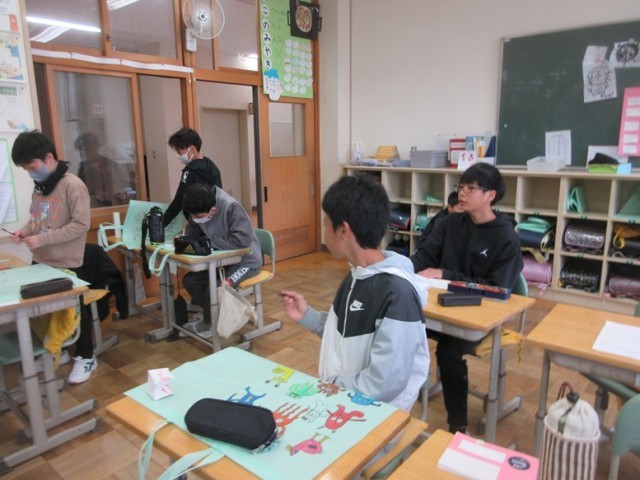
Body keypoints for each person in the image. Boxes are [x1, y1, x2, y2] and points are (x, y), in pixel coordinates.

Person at [281, 175, 430, 413]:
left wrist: (329, 384)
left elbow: (384, 383)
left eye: (326, 224)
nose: (323, 231)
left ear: (343, 231)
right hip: (347, 398)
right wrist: (307, 316)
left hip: (378, 413)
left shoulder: (398, 294)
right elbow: (346, 334)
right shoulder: (357, 276)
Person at [410, 162, 523, 434]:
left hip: (480, 317)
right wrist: (397, 268)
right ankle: (398, 401)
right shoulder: (450, 222)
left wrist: (447, 274)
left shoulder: (506, 237)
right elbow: (424, 257)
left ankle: (458, 426)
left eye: (471, 188)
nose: (462, 193)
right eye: (461, 186)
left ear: (490, 195)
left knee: (448, 351)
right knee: (401, 328)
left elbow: (497, 289)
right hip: (442, 308)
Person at [10, 130, 97, 384]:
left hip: (67, 262)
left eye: (31, 167)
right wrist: (25, 231)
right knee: (46, 313)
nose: (30, 173)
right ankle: (59, 349)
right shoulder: (40, 186)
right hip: (41, 259)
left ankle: (86, 356)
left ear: (48, 157)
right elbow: (37, 219)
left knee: (75, 311)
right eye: (25, 169)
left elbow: (81, 224)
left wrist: (42, 239)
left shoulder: (72, 185)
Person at [180, 183, 262, 338]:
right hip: (223, 261)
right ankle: (213, 315)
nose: (196, 220)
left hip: (246, 262)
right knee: (191, 281)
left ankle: (210, 323)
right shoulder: (199, 206)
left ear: (213, 210)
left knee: (217, 288)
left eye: (199, 217)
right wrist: (184, 240)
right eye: (193, 216)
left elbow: (242, 240)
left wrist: (208, 243)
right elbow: (193, 230)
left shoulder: (231, 207)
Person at [164, 128, 222, 226]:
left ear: (191, 149)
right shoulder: (212, 165)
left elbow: (179, 201)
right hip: (215, 218)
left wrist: (162, 222)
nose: (178, 155)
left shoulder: (189, 171)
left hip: (198, 220)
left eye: (179, 152)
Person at [75, 132, 115, 208]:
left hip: (110, 206)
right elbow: (80, 189)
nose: (85, 153)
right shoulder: (83, 167)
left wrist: (106, 193)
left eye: (88, 149)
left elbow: (118, 189)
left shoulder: (109, 164)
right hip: (90, 206)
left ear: (97, 146)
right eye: (82, 150)